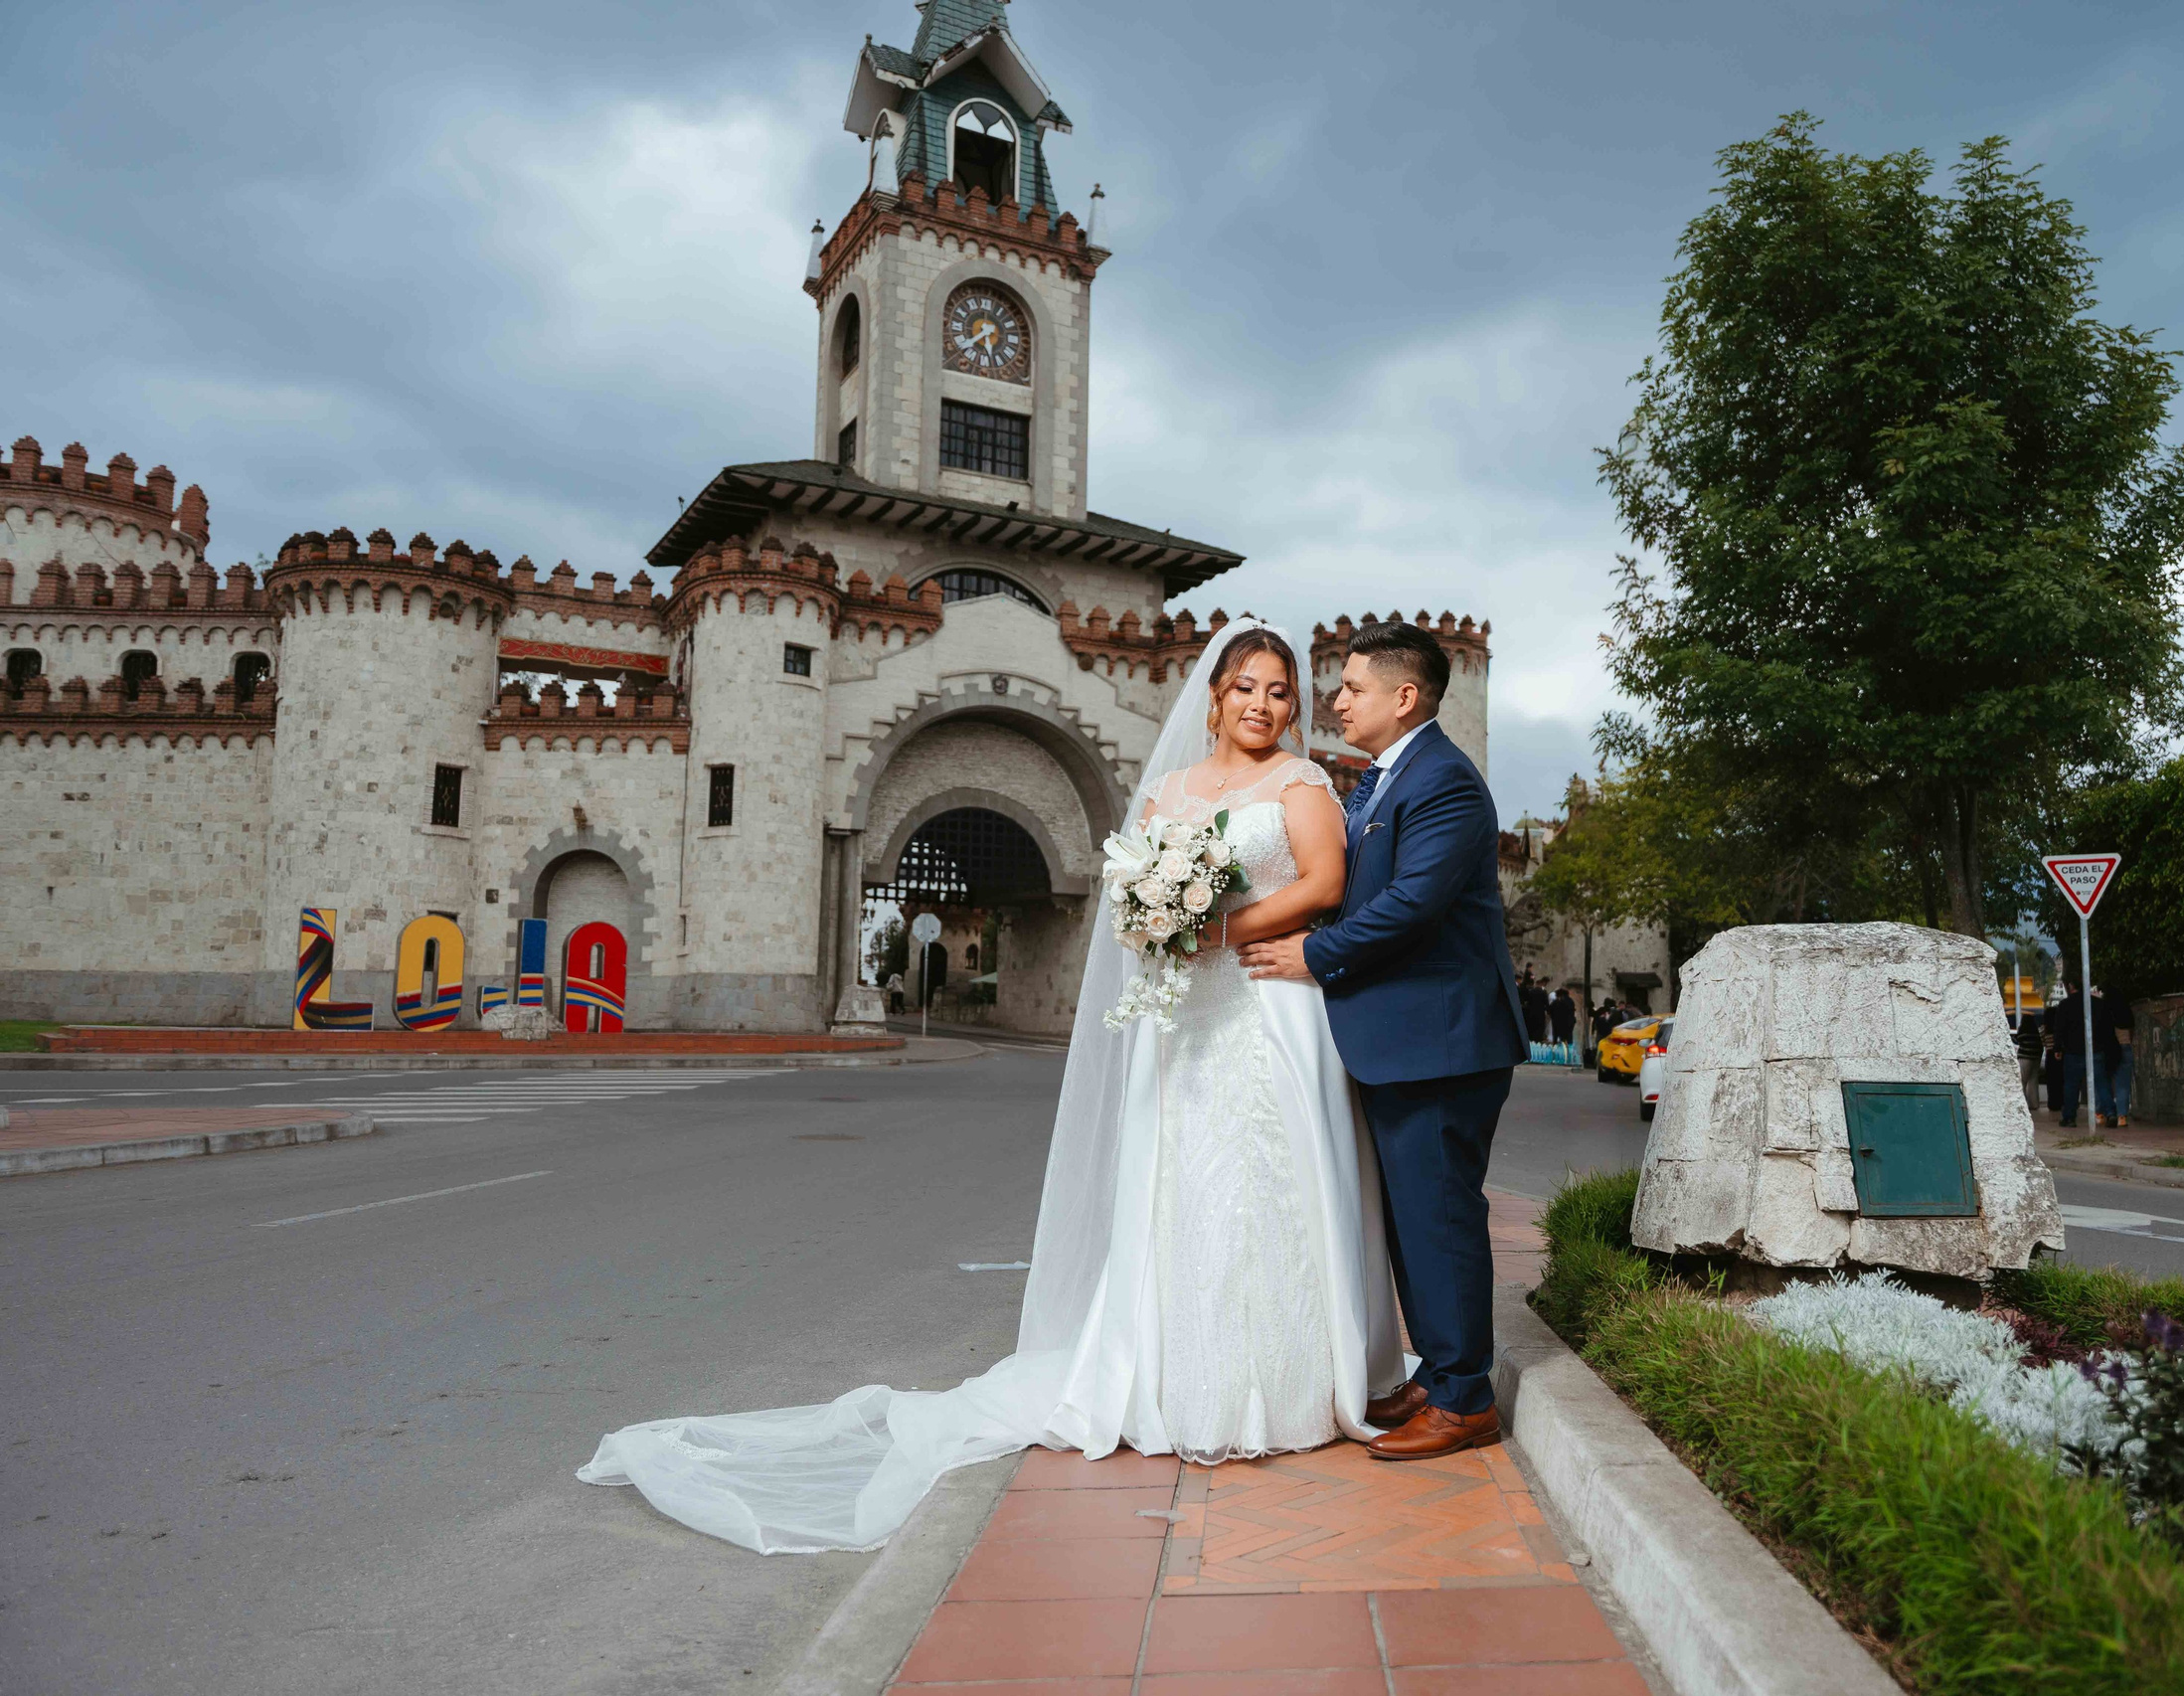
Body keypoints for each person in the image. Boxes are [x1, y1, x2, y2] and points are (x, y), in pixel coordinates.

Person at [578, 619, 1401, 1552]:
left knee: (1271, 1188)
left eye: (1281, 692)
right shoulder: (1167, 792)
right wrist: (1159, 920)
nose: (1264, 704)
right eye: (1248, 686)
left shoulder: (1299, 785)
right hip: (1188, 1020)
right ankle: (1183, 1380)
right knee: (1185, 1193)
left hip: (1266, 1006)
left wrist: (1215, 923)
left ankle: (1291, 1382)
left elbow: (1327, 882)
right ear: (1213, 695)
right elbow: (1132, 903)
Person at [1242, 618, 1529, 1459]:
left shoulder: (1443, 782)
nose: (1338, 699)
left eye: (1354, 688)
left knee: (1439, 1215)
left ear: (1404, 698)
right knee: (1410, 1218)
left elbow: (1412, 906)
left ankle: (1467, 1399)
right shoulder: (1385, 778)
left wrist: (1312, 955)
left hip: (1442, 1041)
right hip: (1400, 1039)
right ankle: (1441, 1375)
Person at [2097, 990, 2135, 1129]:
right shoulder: (2125, 1012)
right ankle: (2122, 1117)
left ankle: (2101, 1114)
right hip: (2125, 1047)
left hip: (2108, 1050)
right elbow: (2131, 1031)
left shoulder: (2104, 1012)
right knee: (2123, 1085)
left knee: (2103, 1083)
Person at [1519, 969, 1550, 1046]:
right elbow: (1546, 1004)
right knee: (1539, 1031)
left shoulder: (1531, 992)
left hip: (1531, 1014)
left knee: (1531, 1030)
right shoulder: (1543, 993)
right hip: (1540, 1014)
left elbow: (1527, 1002)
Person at [1547, 983, 1578, 1060]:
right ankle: (1569, 1057)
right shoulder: (1570, 1001)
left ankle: (1556, 1056)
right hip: (1569, 1024)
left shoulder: (1556, 1002)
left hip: (1557, 1024)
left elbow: (1549, 1010)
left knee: (1556, 1040)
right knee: (1569, 1041)